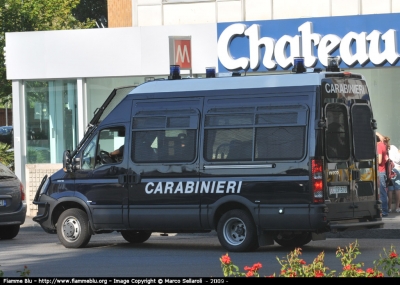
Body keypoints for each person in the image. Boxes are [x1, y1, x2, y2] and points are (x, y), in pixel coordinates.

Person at [377, 134, 389, 217]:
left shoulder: (379, 146)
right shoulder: (384, 145)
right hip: (383, 171)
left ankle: (384, 211)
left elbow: (379, 161)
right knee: (383, 192)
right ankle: (384, 210)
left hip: (380, 171)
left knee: (382, 192)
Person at [388, 145, 400, 213]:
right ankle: (397, 207)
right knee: (398, 189)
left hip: (390, 170)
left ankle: (389, 208)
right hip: (398, 169)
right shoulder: (395, 148)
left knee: (390, 189)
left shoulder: (387, 148)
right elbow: (398, 160)